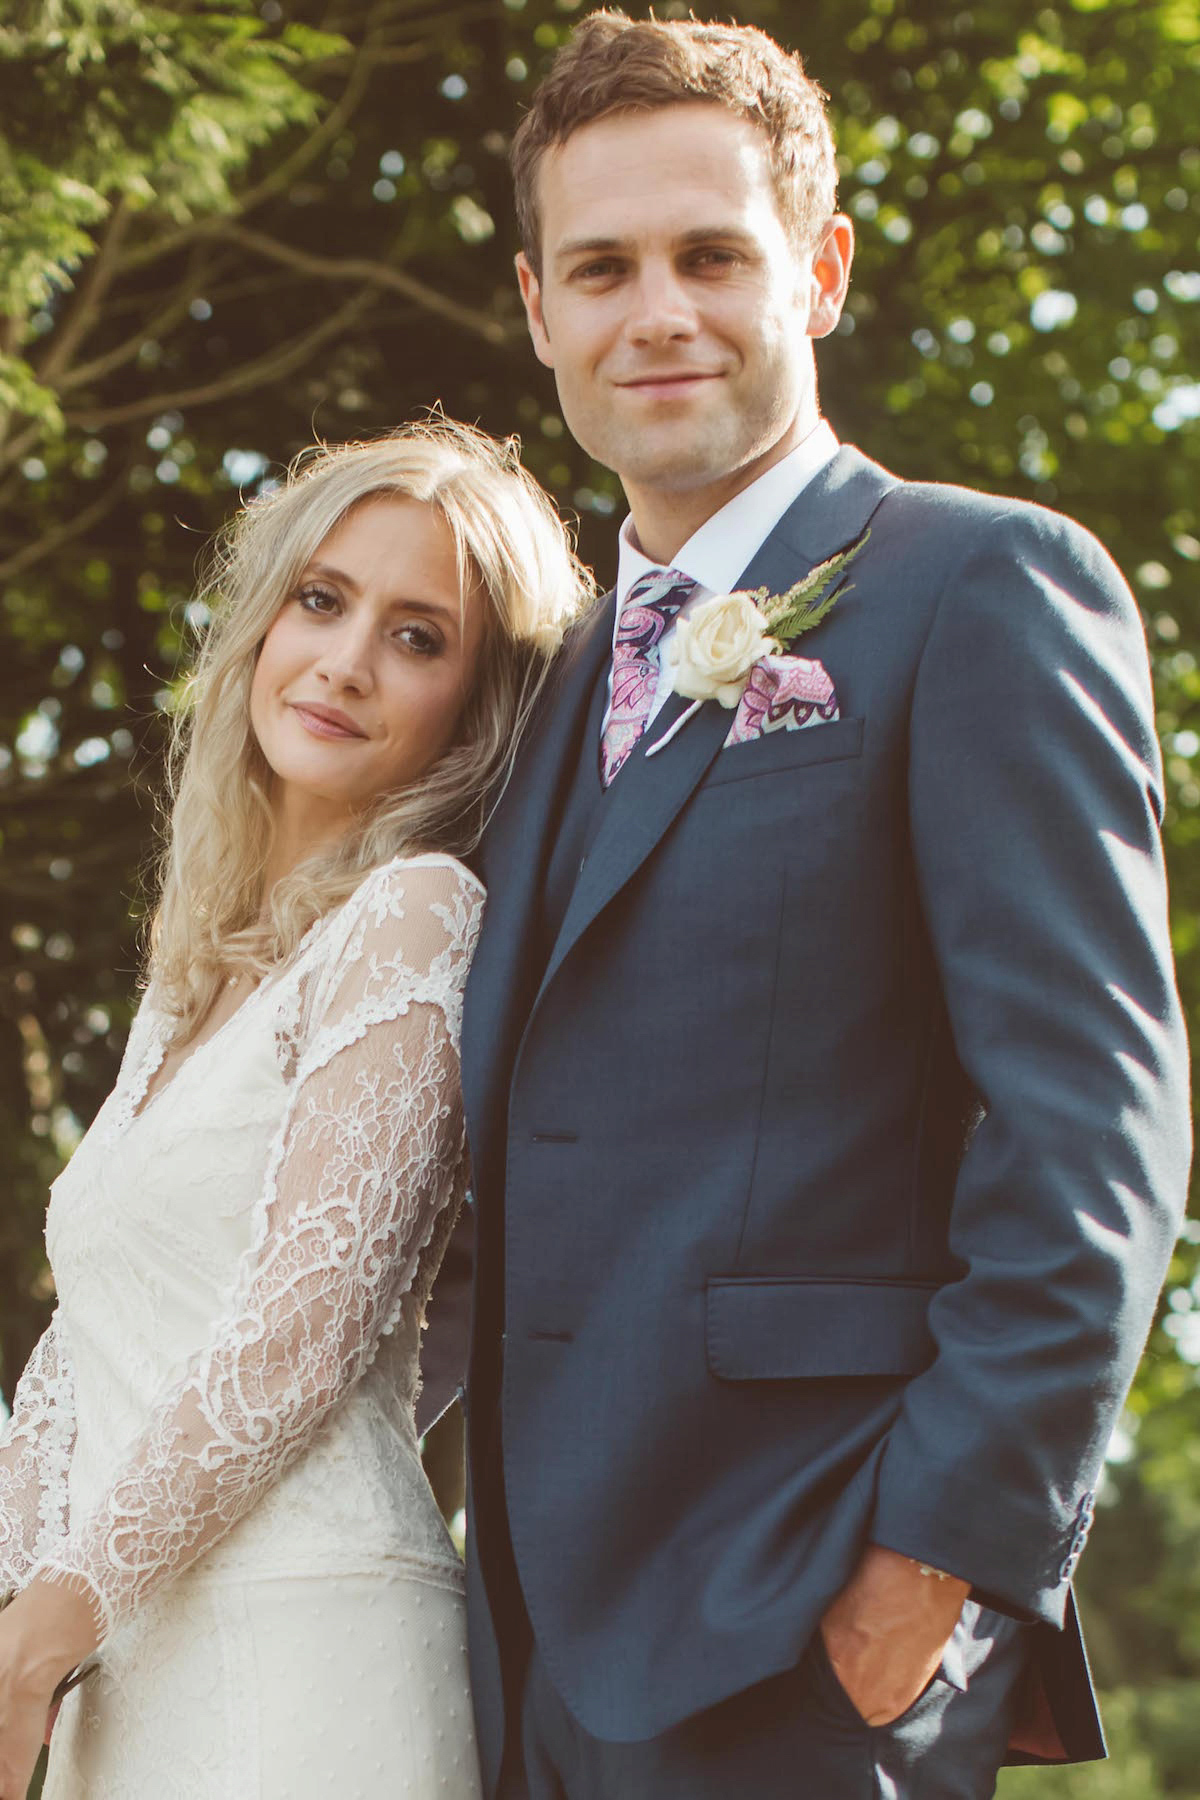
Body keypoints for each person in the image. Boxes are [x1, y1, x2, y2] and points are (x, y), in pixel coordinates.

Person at [448, 13, 1192, 1798]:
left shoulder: (985, 588)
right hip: (524, 1646)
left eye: (714, 255)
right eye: (604, 268)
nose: (661, 315)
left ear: (823, 271)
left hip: (805, 1614)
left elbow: (1094, 1125)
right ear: (541, 309)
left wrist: (940, 1560)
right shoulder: (535, 693)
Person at [0, 419, 591, 1799]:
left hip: (304, 1639)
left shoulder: (415, 914)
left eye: (417, 636)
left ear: (477, 703)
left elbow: (299, 1342)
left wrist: (46, 1626)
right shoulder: (196, 972)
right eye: (322, 601)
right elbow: (78, 1353)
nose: (343, 660)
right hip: (113, 1651)